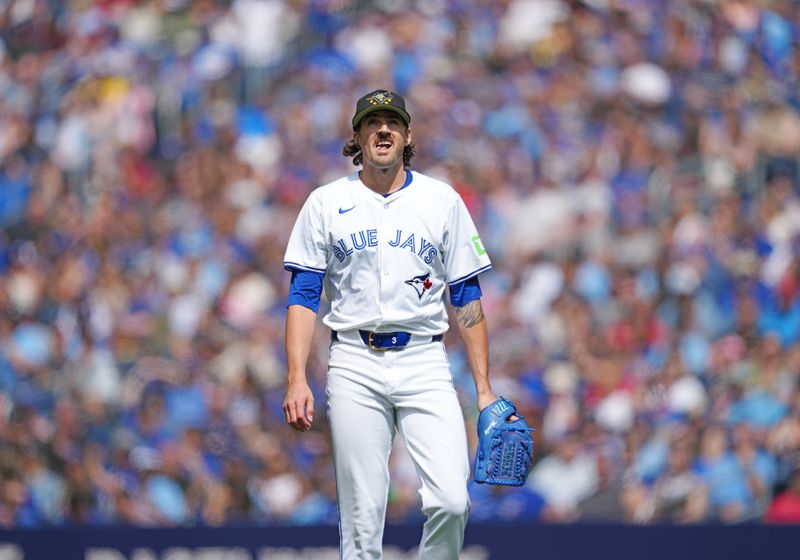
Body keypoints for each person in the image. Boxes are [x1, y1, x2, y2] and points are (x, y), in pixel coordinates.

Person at [281, 89, 500, 559]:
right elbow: (303, 294)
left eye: (393, 123)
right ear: (357, 136)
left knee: (451, 500)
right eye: (373, 122)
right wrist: (297, 377)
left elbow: (466, 295)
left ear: (407, 135)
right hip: (354, 360)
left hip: (424, 358)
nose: (383, 130)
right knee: (361, 521)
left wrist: (483, 389)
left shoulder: (441, 200)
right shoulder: (325, 202)